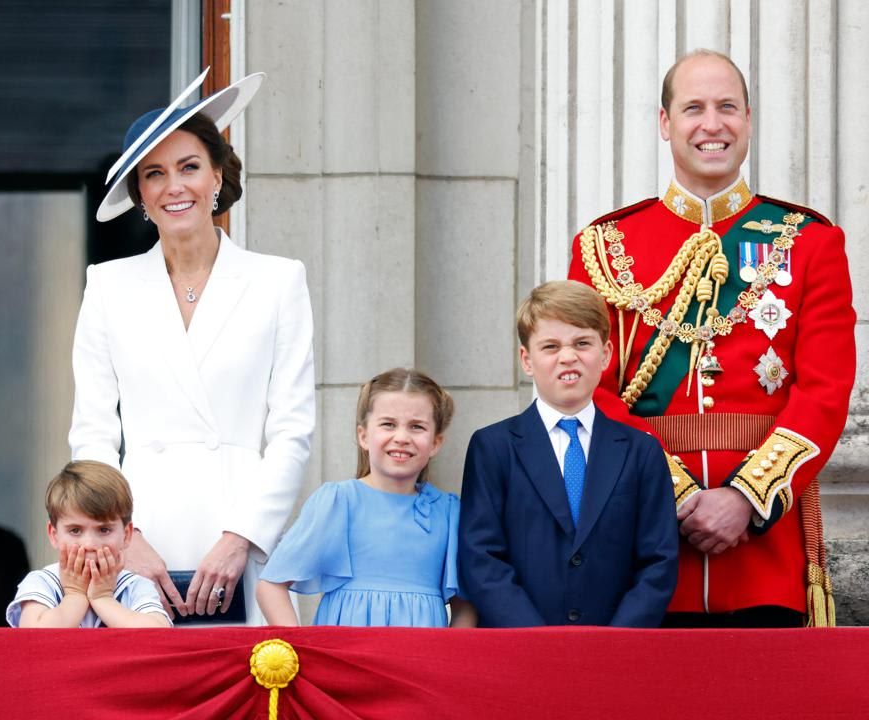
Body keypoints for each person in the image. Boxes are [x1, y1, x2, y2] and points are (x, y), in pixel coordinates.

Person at [567, 49, 855, 627]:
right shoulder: (603, 246)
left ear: (748, 119)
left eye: (727, 107)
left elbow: (824, 392)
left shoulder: (809, 242)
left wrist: (746, 500)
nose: (712, 124)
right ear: (665, 122)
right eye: (693, 108)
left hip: (763, 554)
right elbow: (584, 389)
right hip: (645, 546)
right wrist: (674, 495)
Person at [72, 68, 315, 625]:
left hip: (241, 531)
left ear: (216, 176)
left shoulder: (278, 281)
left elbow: (291, 430)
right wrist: (121, 537)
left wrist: (242, 538)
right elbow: (92, 430)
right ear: (140, 194)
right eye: (154, 174)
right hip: (138, 533)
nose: (174, 187)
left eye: (188, 167)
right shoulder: (107, 285)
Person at [458, 281, 678, 627]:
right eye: (550, 346)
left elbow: (658, 561)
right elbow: (481, 556)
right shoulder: (494, 447)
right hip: (520, 650)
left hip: (616, 650)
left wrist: (616, 640)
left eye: (582, 343)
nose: (568, 356)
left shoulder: (641, 451)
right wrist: (537, 641)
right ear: (526, 360)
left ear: (605, 354)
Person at [257, 368, 474, 628]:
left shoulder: (449, 511)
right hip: (346, 660)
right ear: (363, 436)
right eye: (388, 424)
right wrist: (302, 653)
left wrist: (444, 661)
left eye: (416, 427)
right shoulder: (338, 502)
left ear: (436, 442)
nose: (402, 437)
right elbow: (270, 585)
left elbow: (466, 607)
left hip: (419, 661)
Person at [6, 461, 170, 628]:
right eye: (75, 531)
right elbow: (33, 635)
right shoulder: (42, 582)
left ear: (126, 534)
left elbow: (158, 632)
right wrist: (74, 595)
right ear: (54, 535)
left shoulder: (135, 586)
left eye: (104, 529)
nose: (90, 544)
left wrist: (103, 598)